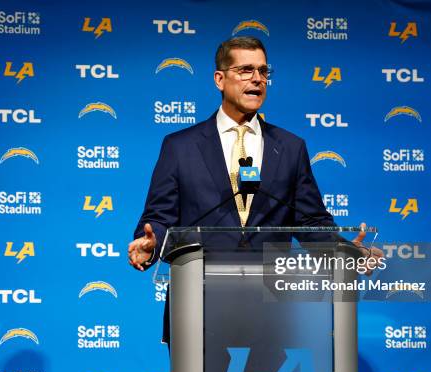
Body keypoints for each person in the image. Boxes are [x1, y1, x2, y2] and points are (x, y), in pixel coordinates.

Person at [128, 36, 381, 344]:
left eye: (263, 71)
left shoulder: (290, 147)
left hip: (273, 310)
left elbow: (310, 222)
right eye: (246, 70)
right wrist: (150, 246)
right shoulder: (180, 146)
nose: (258, 79)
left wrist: (346, 252)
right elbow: (160, 217)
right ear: (219, 79)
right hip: (198, 308)